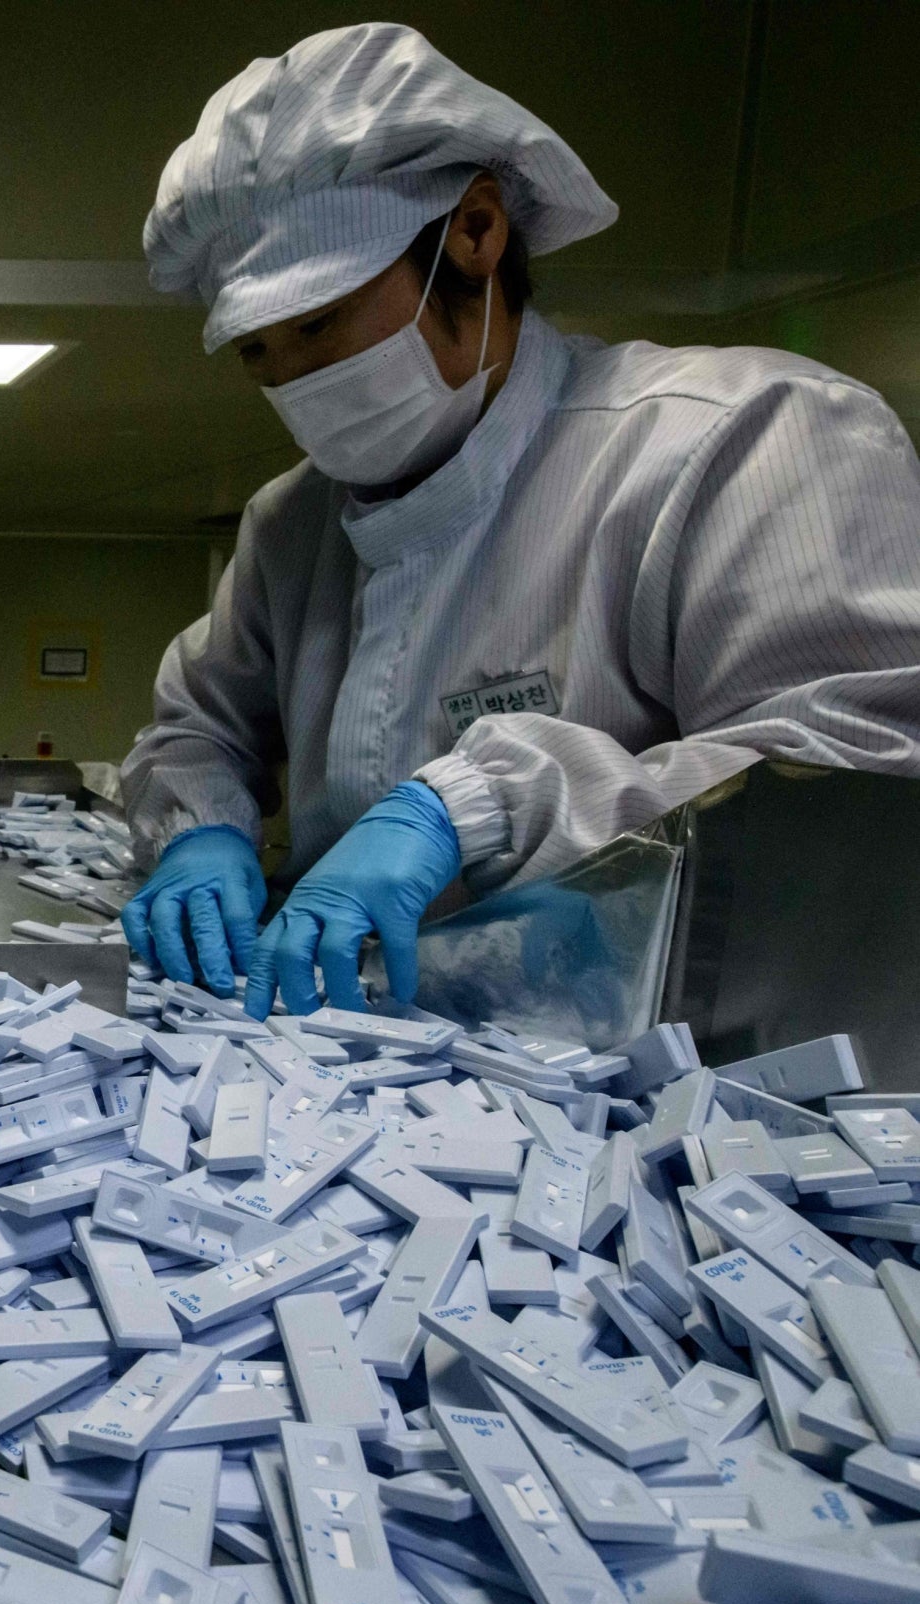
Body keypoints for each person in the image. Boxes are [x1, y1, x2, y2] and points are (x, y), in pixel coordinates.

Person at [119, 23, 920, 1018]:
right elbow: (198, 723)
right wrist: (203, 829)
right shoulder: (293, 527)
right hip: (359, 1077)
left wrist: (477, 802)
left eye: (320, 324)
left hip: (681, 1080)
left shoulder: (738, 440)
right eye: (257, 352)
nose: (295, 382)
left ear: (475, 233)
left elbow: (854, 784)